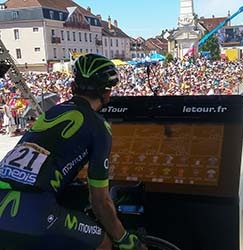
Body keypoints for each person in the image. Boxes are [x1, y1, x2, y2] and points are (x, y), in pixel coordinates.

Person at [0, 54, 145, 250]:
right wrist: (124, 238)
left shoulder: (52, 112)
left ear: (73, 87)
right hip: (35, 213)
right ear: (107, 93)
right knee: (104, 243)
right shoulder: (99, 127)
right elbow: (100, 202)